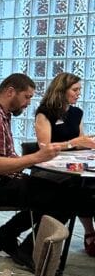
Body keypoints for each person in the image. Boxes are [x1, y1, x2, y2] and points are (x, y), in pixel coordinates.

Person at [0, 72, 73, 271]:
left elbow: (4, 157)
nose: (28, 103)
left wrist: (37, 162)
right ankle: (28, 250)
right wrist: (36, 158)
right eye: (27, 97)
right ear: (10, 92)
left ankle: (5, 236)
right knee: (62, 199)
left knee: (53, 188)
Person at [35, 72, 95, 255]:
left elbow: (80, 143)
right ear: (62, 91)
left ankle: (89, 231)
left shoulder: (77, 113)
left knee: (89, 186)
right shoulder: (45, 113)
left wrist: (87, 144)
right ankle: (89, 232)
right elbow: (45, 148)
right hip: (50, 168)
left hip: (73, 165)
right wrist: (73, 143)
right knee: (77, 188)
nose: (78, 94)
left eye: (80, 90)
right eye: (75, 90)